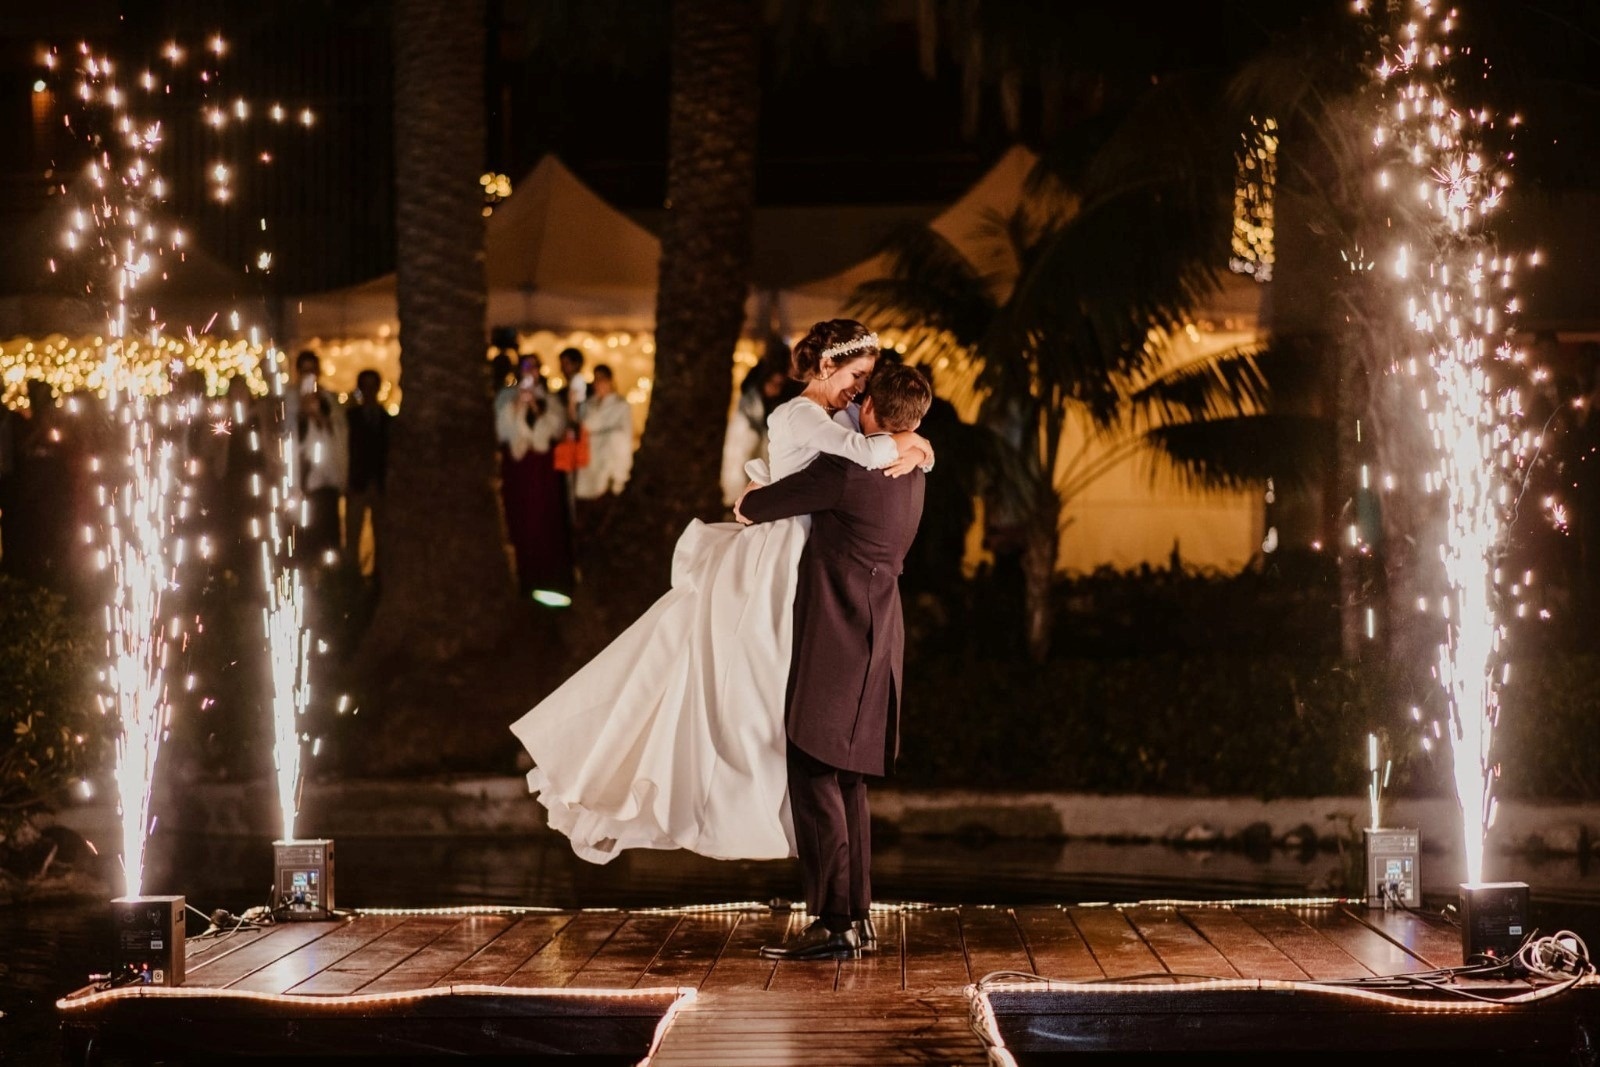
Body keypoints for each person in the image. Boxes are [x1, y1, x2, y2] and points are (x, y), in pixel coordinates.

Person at [509, 320, 932, 863]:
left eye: (868, 378)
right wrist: (910, 443)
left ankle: (794, 826)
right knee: (737, 684)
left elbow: (880, 432)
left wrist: (918, 445)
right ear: (828, 365)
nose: (861, 389)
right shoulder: (799, 414)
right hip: (781, 553)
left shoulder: (843, 411)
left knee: (779, 703)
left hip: (813, 552)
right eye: (856, 375)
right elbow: (864, 451)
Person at [736, 360, 934, 960]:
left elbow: (754, 507)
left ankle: (831, 923)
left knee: (813, 766)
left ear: (871, 410)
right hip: (882, 630)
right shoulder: (912, 472)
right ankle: (854, 916)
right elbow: (909, 448)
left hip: (839, 629)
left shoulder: (844, 470)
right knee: (847, 776)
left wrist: (749, 493)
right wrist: (917, 446)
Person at [495, 354, 574, 599]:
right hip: (519, 465)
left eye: (534, 367)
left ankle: (547, 573)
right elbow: (501, 430)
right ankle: (520, 574)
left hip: (541, 467)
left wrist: (536, 407)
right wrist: (518, 404)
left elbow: (557, 430)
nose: (531, 372)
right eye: (526, 367)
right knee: (519, 513)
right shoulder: (506, 397)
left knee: (543, 515)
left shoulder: (549, 399)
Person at [283, 350, 347, 565]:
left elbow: (339, 433)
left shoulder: (329, 399)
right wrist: (302, 414)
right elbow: (286, 435)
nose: (309, 375)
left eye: (312, 370)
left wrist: (319, 417)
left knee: (327, 535)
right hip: (300, 479)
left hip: (326, 480)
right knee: (302, 536)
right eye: (304, 371)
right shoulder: (289, 399)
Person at [720, 360, 790, 508]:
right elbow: (740, 454)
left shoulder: (774, 408)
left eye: (779, 385)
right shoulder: (749, 406)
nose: (775, 389)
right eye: (773, 383)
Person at [572, 364, 633, 534]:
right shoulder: (588, 405)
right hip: (588, 463)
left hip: (607, 464)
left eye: (601, 380)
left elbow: (624, 437)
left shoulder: (620, 406)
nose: (598, 384)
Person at [344, 368, 392, 577]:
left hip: (379, 485)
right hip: (357, 484)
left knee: (382, 536)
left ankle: (378, 578)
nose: (370, 391)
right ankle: (351, 577)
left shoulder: (387, 419)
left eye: (373, 386)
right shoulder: (350, 418)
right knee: (353, 535)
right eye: (366, 386)